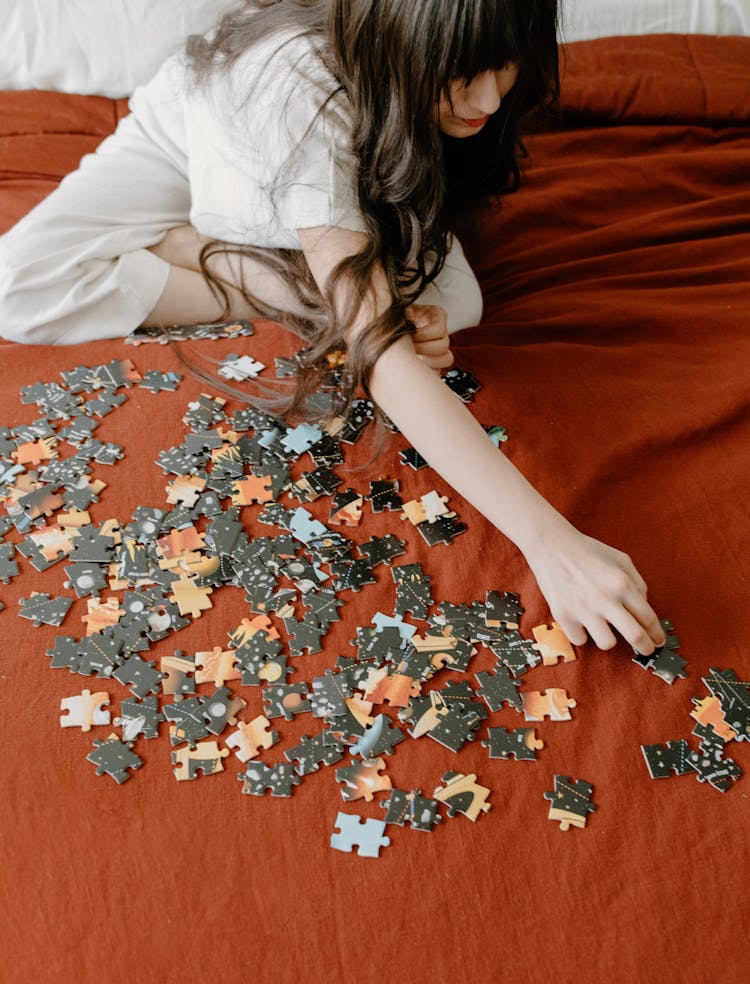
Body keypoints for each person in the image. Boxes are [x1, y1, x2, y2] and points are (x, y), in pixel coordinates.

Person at [0, 0, 666, 656]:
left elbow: (410, 303)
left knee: (460, 304)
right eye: (464, 71)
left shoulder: (432, 83)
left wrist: (375, 310)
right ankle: (222, 252)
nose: (490, 97)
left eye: (505, 64)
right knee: (16, 290)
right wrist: (551, 541)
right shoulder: (298, 94)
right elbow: (383, 356)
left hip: (343, 168)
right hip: (193, 149)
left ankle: (256, 262)